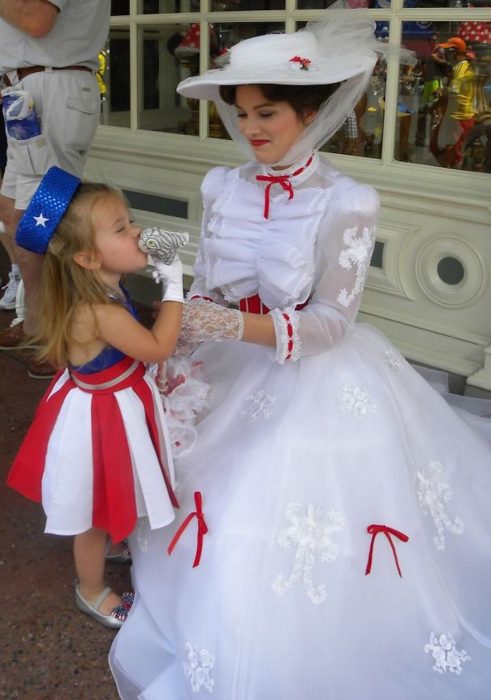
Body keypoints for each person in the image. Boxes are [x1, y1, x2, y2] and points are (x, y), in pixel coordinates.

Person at [110, 13, 491, 699]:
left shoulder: (348, 201)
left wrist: (229, 327)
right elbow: (204, 283)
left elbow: (330, 324)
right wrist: (179, 346)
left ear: (309, 113)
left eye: (269, 112)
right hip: (222, 361)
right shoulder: (219, 186)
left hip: (308, 373)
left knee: (276, 491)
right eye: (243, 112)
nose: (252, 128)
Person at [7, 166, 185, 628]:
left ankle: (111, 539)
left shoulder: (99, 287)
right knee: (92, 509)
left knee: (111, 486)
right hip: (103, 415)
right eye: (122, 228)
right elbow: (158, 346)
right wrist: (174, 284)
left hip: (105, 403)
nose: (139, 232)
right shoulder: (100, 311)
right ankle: (91, 590)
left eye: (130, 221)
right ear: (87, 258)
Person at [0, 0, 111, 378]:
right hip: (31, 95)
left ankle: (68, 334)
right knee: (14, 213)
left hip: (54, 90)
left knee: (45, 222)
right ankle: (38, 323)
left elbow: (37, 19)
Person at [438, 36, 476, 168]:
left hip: (460, 115)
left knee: (457, 148)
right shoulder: (466, 65)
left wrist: (442, 91)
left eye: (449, 51)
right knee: (459, 146)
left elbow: (454, 91)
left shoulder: (459, 68)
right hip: (465, 112)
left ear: (457, 53)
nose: (446, 54)